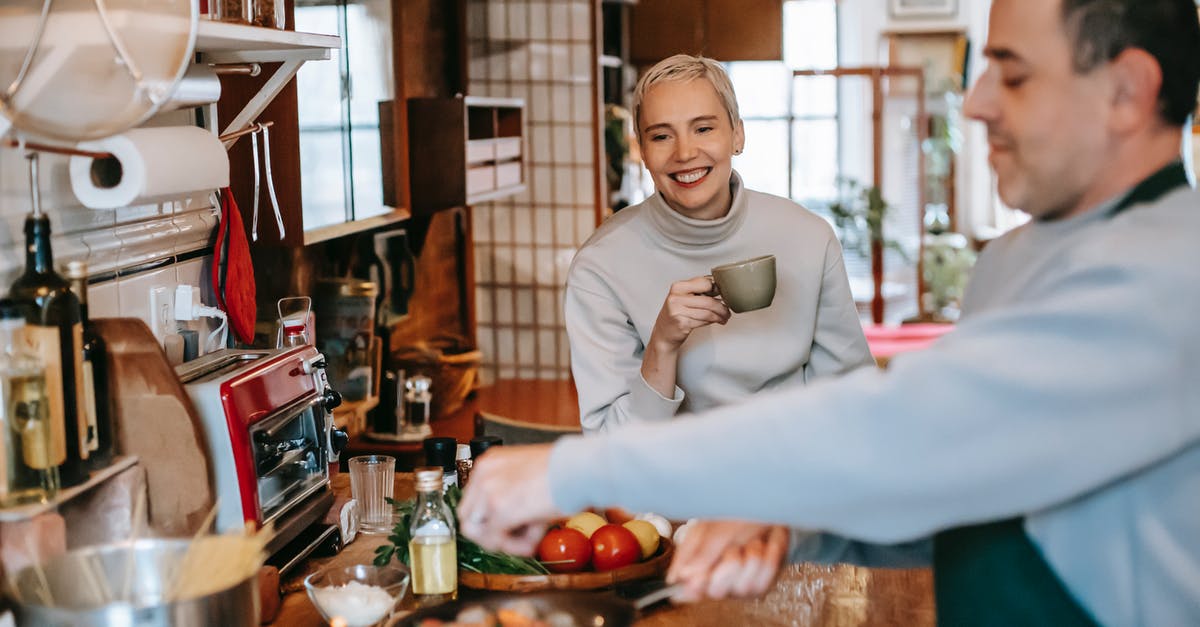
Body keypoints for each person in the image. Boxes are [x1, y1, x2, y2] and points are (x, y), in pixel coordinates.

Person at [460, 0, 1200, 623]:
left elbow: (905, 423)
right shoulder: (1012, 263)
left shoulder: (1171, 278)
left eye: (1013, 74)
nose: (974, 103)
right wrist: (786, 517)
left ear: (1127, 92)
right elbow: (955, 491)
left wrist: (570, 469)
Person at [567, 54, 873, 434]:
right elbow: (607, 445)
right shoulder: (601, 266)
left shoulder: (808, 236)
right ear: (643, 152)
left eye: (703, 128)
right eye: (661, 136)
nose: (684, 153)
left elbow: (851, 397)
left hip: (795, 476)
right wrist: (662, 344)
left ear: (738, 134)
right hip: (675, 486)